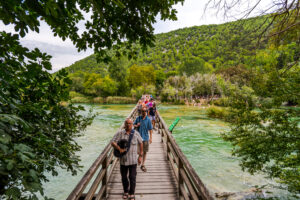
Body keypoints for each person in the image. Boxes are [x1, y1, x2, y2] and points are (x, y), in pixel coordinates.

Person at [111, 118, 143, 200]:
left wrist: (140, 156)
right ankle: (126, 191)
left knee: (132, 177)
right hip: (123, 160)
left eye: (130, 123)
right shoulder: (120, 133)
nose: (128, 125)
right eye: (127, 123)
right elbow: (112, 142)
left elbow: (141, 142)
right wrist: (119, 148)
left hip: (133, 160)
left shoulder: (136, 133)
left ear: (132, 124)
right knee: (124, 177)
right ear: (124, 124)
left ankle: (132, 193)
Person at [133, 107, 153, 172]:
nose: (143, 112)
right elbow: (133, 125)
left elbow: (150, 129)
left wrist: (151, 138)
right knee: (138, 151)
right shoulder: (138, 118)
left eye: (144, 111)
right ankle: (139, 158)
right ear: (141, 112)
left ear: (146, 112)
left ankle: (143, 164)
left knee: (145, 151)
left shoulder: (148, 120)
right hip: (138, 138)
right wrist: (136, 125)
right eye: (142, 111)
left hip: (146, 137)